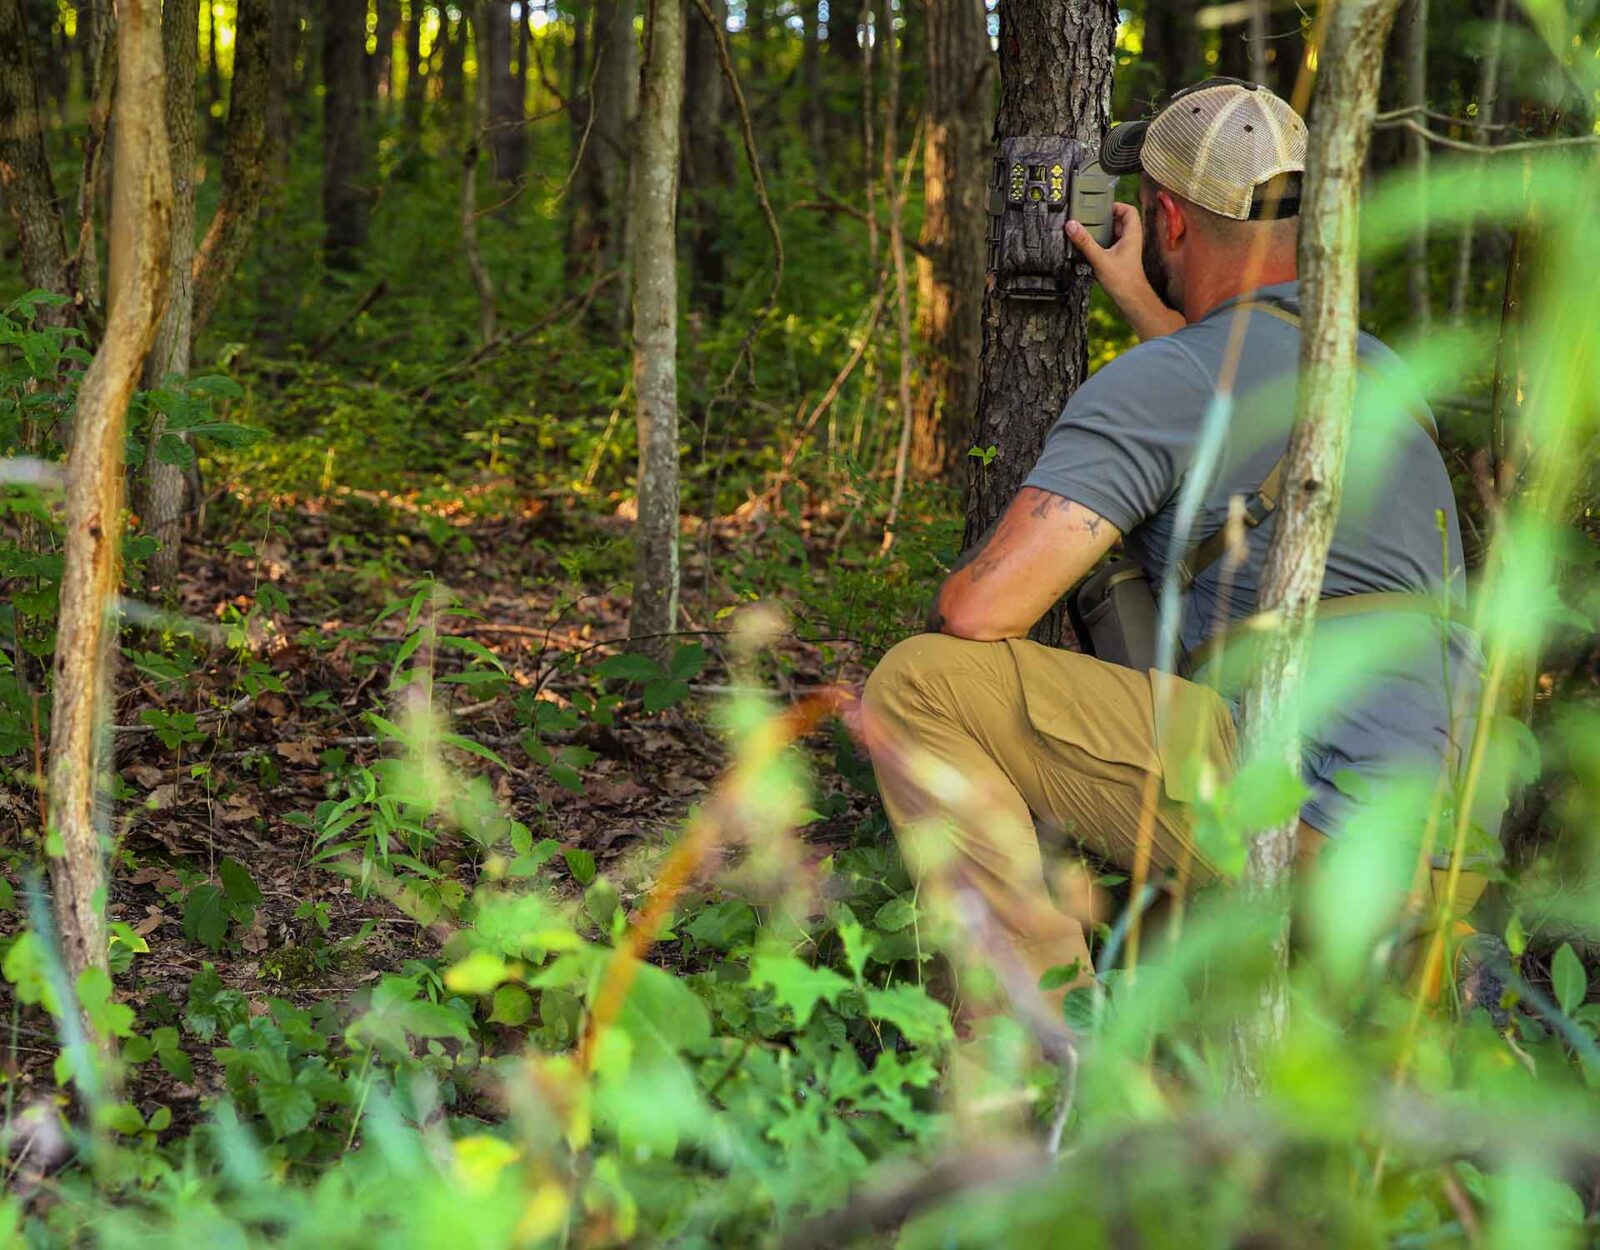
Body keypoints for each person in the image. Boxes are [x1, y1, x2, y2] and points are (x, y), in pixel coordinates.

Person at [860, 79, 1491, 991]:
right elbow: (1242, 393)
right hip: (1449, 849)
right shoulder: (1381, 369)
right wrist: (1154, 318)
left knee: (920, 685)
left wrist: (1156, 356)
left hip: (1313, 828)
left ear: (1168, 219)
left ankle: (1039, 1045)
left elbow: (980, 612)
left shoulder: (1168, 382)